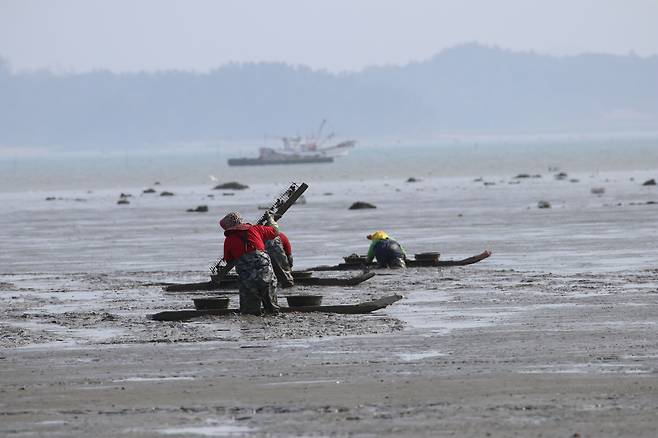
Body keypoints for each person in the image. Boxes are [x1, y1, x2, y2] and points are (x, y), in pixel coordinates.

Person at [217, 211, 280, 315]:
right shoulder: (256, 229)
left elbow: (228, 259)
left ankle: (252, 329)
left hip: (247, 279)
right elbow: (275, 231)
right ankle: (273, 323)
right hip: (265, 272)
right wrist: (270, 219)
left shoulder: (229, 240)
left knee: (249, 311)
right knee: (272, 307)